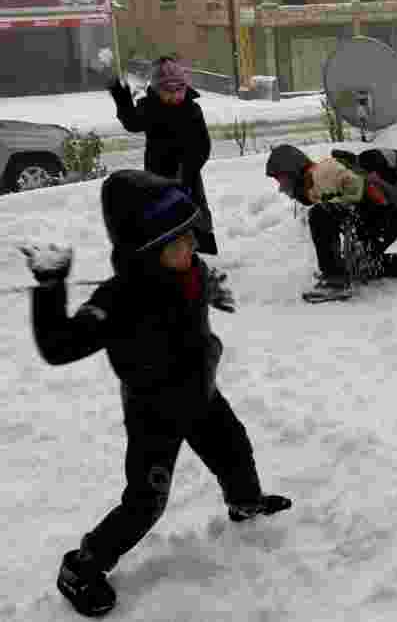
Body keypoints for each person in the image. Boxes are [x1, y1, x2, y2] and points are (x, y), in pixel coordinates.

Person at [20, 170, 291, 618]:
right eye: (177, 243)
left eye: (189, 236)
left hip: (200, 392)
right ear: (143, 252)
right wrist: (51, 288)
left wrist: (211, 291)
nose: (190, 248)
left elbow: (195, 282)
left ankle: (244, 503)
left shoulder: (189, 270)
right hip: (154, 411)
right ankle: (82, 567)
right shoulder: (119, 299)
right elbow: (59, 346)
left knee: (234, 451)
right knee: (146, 501)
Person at [265, 144, 397, 302]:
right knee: (362, 268)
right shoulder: (312, 184)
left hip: (388, 215)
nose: (281, 188)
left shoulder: (322, 174)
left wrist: (352, 235)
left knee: (319, 214)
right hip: (383, 216)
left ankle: (335, 281)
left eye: (281, 180)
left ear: (293, 170)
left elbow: (364, 192)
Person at [108, 56, 218, 255]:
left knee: (194, 212)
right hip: (157, 172)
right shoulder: (150, 108)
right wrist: (121, 97)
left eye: (179, 90)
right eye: (168, 91)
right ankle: (165, 252)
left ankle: (199, 253)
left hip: (187, 172)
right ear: (157, 90)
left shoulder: (192, 109)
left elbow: (203, 143)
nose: (175, 95)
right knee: (162, 213)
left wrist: (189, 166)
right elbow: (132, 123)